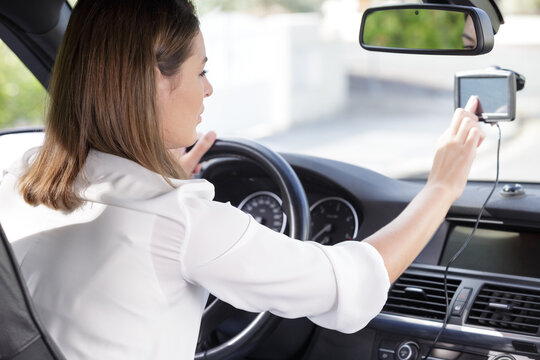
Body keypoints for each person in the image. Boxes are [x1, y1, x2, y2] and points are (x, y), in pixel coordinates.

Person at [0, 0, 485, 359]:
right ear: (152, 79)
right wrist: (441, 187)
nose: (208, 88)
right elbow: (346, 285)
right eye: (200, 72)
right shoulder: (180, 219)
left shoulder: (15, 175)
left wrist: (158, 177)